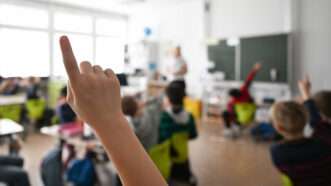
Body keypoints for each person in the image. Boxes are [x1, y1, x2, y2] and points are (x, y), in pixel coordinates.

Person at [59, 36, 167, 186]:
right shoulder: (150, 116)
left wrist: (109, 119)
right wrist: (111, 117)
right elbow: (158, 101)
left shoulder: (134, 126)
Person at [270, 76, 331, 185]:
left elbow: (316, 122)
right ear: (306, 120)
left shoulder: (277, 152)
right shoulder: (324, 142)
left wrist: (305, 93)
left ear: (279, 128)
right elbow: (318, 122)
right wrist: (305, 93)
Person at [159, 81, 197, 185]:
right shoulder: (190, 116)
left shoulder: (165, 117)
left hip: (167, 156)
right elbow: (193, 135)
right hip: (182, 155)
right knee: (184, 179)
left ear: (168, 99)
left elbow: (162, 137)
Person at [222, 63, 262, 137]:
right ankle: (235, 127)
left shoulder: (233, 101)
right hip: (248, 114)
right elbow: (249, 80)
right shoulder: (243, 90)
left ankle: (231, 128)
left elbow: (230, 111)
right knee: (230, 113)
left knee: (226, 113)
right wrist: (255, 69)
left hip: (246, 114)